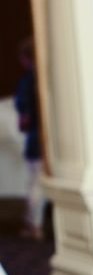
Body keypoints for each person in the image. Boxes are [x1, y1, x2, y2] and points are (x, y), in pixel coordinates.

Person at [15, 37, 45, 240]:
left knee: (36, 182)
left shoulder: (28, 80)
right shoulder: (45, 78)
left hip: (36, 138)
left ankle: (34, 225)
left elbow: (24, 114)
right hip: (49, 138)